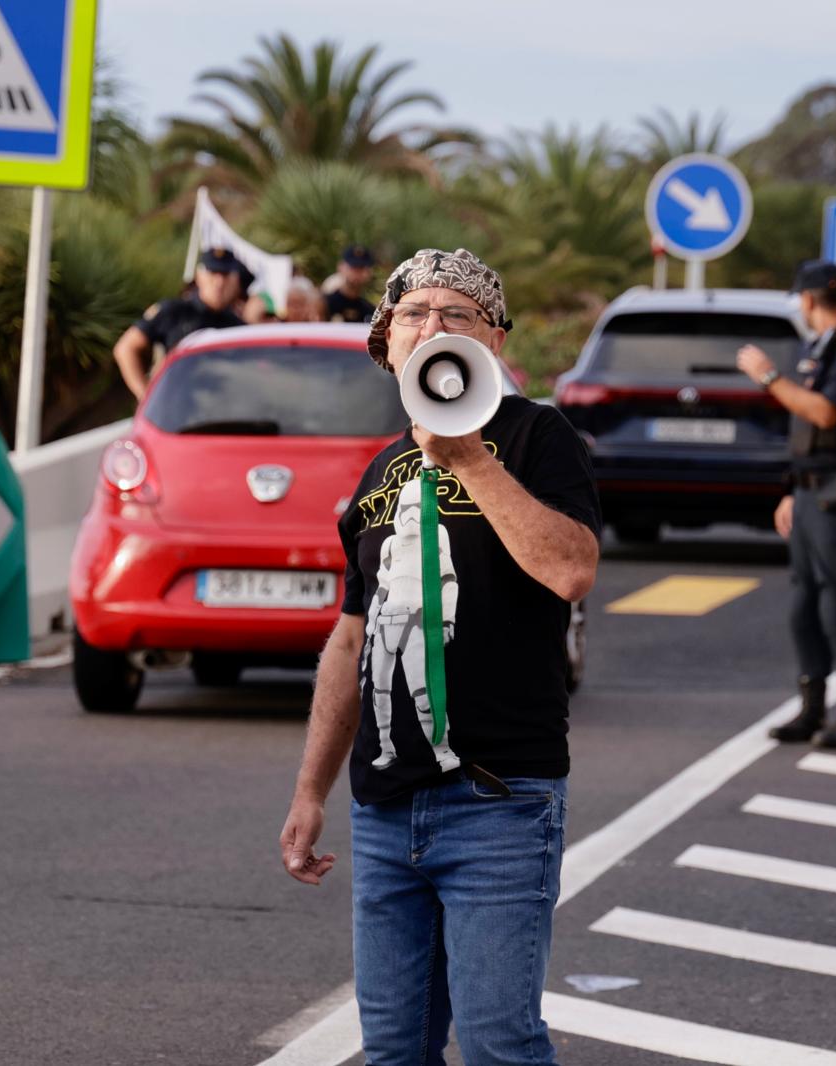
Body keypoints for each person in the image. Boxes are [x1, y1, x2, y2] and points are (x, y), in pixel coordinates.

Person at [278, 248, 600, 1065]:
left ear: (492, 338)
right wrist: (311, 789)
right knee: (394, 1050)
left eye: (457, 314)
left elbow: (570, 570)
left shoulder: (536, 436)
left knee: (501, 1045)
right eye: (414, 315)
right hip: (385, 812)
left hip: (498, 801)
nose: (434, 327)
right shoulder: (381, 471)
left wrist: (467, 455)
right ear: (387, 344)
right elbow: (350, 636)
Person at [737, 260, 836, 749]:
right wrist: (790, 488)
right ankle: (810, 706)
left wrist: (767, 376)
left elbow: (825, 412)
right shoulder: (818, 348)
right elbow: (804, 429)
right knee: (804, 604)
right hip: (808, 490)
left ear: (808, 301)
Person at [111, 248, 245, 400]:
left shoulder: (237, 326)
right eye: (213, 273)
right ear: (199, 275)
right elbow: (125, 348)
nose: (219, 282)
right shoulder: (174, 311)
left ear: (235, 279)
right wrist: (146, 396)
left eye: (225, 274)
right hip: (174, 409)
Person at [323, 243, 377, 323]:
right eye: (354, 267)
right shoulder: (325, 305)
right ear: (340, 267)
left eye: (362, 268)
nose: (358, 273)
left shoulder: (369, 310)